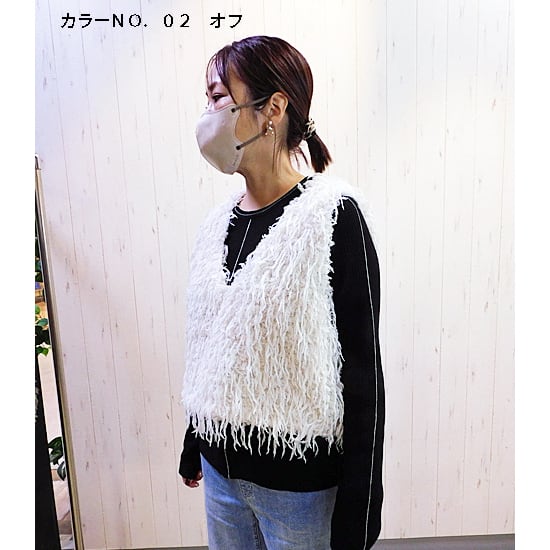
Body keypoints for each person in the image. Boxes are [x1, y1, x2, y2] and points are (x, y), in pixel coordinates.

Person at [179, 35, 385, 550]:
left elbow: (363, 374)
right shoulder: (217, 224)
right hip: (221, 477)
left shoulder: (332, 217)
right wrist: (194, 440)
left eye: (219, 97)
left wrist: (361, 506)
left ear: (272, 108)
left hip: (299, 490)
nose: (208, 115)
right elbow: (211, 346)